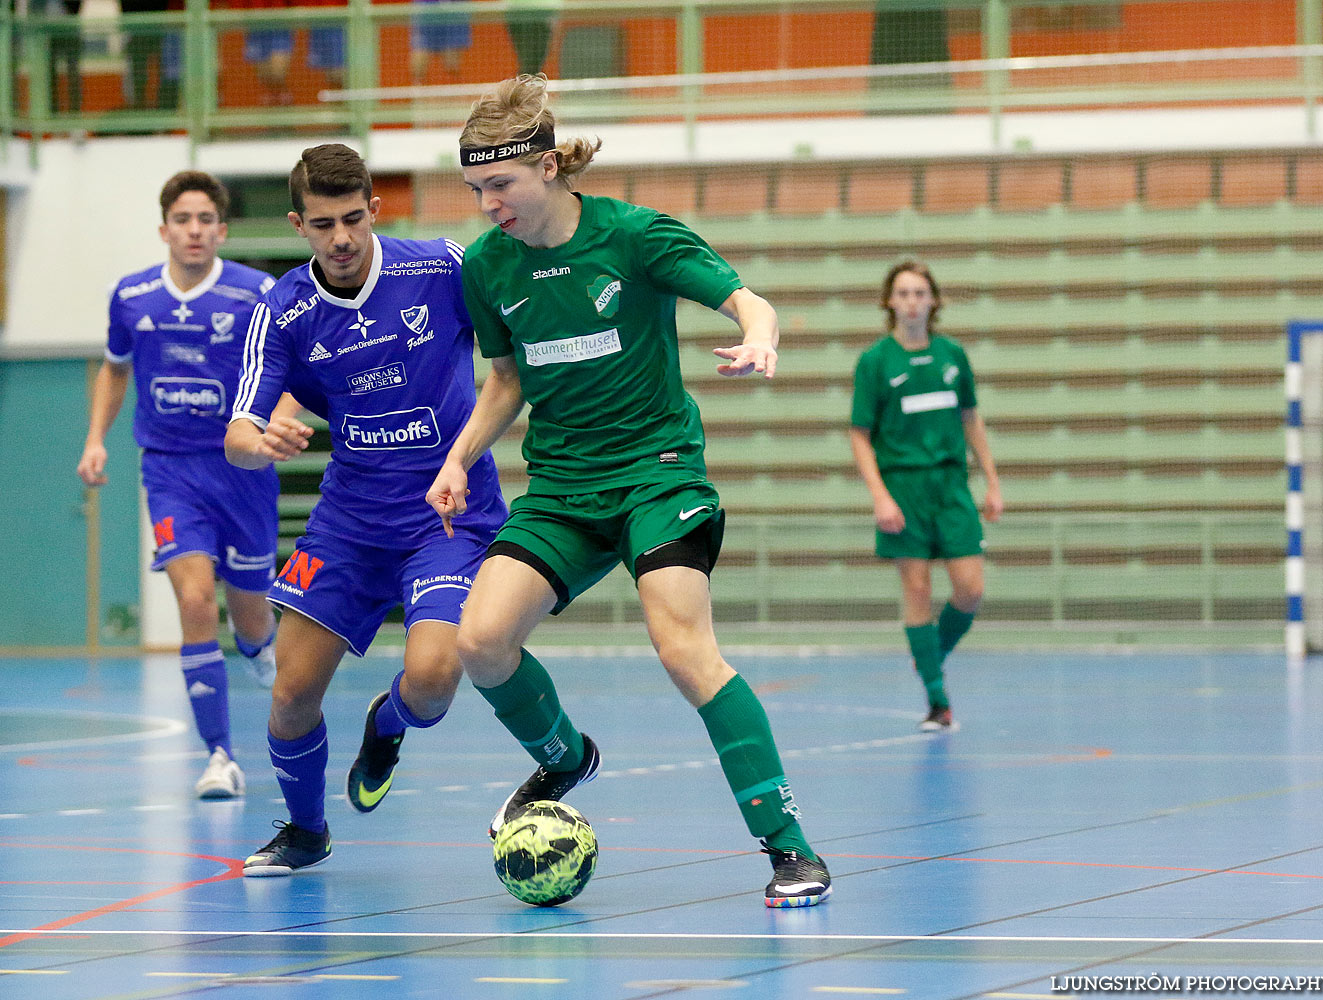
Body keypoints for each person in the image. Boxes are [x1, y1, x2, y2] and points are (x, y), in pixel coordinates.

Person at [426, 74, 832, 909]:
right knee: (481, 643)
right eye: (474, 190)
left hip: (658, 474)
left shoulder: (637, 237)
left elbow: (749, 301)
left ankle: (790, 849)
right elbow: (506, 381)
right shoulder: (491, 268)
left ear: (547, 166)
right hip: (564, 489)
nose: (487, 205)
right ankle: (565, 756)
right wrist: (460, 456)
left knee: (683, 648)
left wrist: (758, 338)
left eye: (498, 185)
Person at [226, 143, 507, 876]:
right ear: (299, 225)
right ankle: (306, 830)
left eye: (353, 218)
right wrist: (262, 440)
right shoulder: (283, 308)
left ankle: (388, 724)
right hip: (348, 524)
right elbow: (236, 435)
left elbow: (514, 349)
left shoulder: (441, 267)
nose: (342, 238)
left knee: (436, 677)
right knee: (289, 694)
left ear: (376, 210)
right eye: (323, 224)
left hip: (445, 517)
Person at [77, 170, 285, 799]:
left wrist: (279, 420)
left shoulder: (258, 294)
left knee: (250, 616)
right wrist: (95, 438)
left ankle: (261, 651)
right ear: (164, 228)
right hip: (169, 469)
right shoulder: (133, 296)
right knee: (195, 601)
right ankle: (220, 754)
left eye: (206, 221)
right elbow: (115, 371)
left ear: (221, 230)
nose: (194, 231)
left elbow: (293, 367)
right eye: (183, 220)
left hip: (243, 470)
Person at [847, 259, 1002, 732]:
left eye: (920, 293)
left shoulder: (953, 356)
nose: (912, 301)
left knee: (970, 590)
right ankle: (938, 701)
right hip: (903, 487)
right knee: (917, 588)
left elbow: (971, 420)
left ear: (933, 301)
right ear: (890, 302)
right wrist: (880, 496)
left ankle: (929, 655)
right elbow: (859, 434)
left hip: (951, 485)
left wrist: (992, 481)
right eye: (903, 293)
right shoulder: (875, 362)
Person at [409, 0, 468, 84]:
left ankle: (456, 92)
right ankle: (419, 92)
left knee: (452, 66)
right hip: (426, 14)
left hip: (452, 16)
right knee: (419, 69)